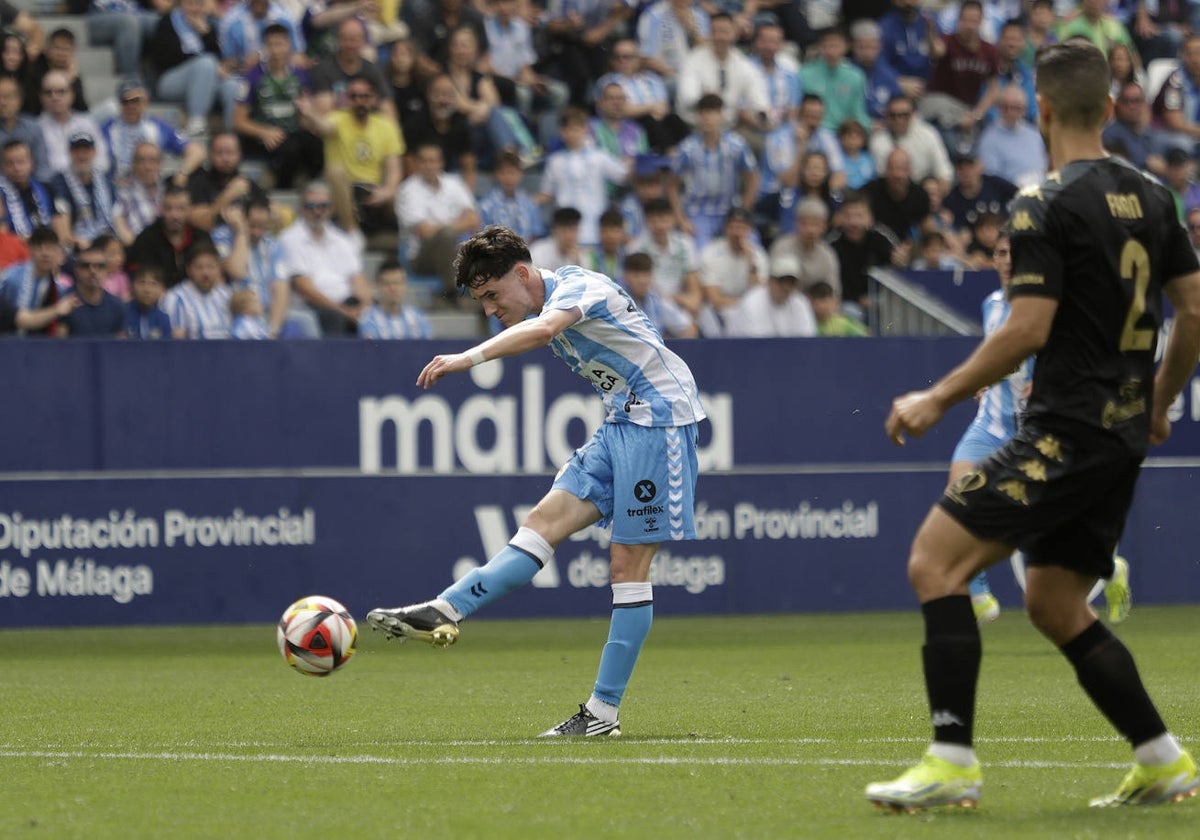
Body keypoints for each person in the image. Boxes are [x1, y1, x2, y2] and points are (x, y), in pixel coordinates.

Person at [867, 39, 1200, 812]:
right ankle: (1163, 760)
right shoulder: (1156, 196)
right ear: (1112, 108)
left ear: (1041, 111)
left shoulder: (1040, 202)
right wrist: (1158, 402)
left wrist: (936, 397)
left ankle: (951, 761)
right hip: (1118, 436)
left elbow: (1026, 329)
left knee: (934, 563)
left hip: (1064, 431)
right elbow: (1194, 311)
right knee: (1054, 603)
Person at [366, 224, 707, 739]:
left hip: (660, 421)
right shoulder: (544, 299)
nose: (489, 309)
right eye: (480, 300)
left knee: (627, 564)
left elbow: (544, 331)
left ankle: (602, 715)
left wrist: (468, 357)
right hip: (622, 421)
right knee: (541, 522)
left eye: (492, 295)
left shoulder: (579, 289)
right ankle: (444, 608)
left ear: (523, 274)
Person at [949, 231, 1133, 626]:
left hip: (1041, 429)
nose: (1007, 261)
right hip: (993, 424)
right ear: (993, 260)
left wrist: (1051, 379)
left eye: (1015, 255)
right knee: (960, 490)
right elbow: (996, 353)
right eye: (1000, 253)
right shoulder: (991, 305)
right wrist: (984, 378)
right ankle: (979, 595)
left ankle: (1109, 567)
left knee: (1054, 531)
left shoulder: (1052, 307)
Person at [232, 22, 324, 189]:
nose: (275, 51)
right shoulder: (252, 77)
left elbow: (303, 118)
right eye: (270, 45)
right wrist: (263, 132)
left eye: (279, 44)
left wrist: (308, 113)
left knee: (317, 145)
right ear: (264, 47)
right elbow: (238, 121)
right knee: (290, 148)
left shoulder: (300, 75)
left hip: (292, 132)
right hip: (263, 136)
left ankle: (312, 186)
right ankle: (283, 190)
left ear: (289, 45)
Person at [279, 180, 371, 334]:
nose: (317, 212)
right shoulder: (290, 239)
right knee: (334, 318)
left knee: (374, 313)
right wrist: (343, 312)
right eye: (311, 207)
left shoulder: (342, 239)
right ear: (301, 209)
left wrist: (363, 307)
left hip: (347, 304)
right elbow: (305, 289)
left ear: (331, 208)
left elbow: (358, 278)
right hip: (313, 306)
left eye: (322, 206)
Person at [668, 93, 758, 250]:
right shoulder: (687, 148)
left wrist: (745, 211)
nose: (707, 117)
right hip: (696, 213)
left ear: (721, 115)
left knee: (752, 247)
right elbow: (671, 185)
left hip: (730, 211)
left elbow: (753, 178)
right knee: (699, 254)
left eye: (712, 112)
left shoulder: (737, 145)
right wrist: (680, 219)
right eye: (703, 113)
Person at [396, 142, 479, 305]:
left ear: (441, 163)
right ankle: (454, 292)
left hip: (455, 252)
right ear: (417, 164)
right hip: (420, 257)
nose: (429, 166)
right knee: (447, 236)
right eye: (425, 161)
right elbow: (425, 232)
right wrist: (457, 224)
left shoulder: (453, 183)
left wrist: (446, 227)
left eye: (433, 161)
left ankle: (481, 301)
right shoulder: (408, 190)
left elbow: (474, 219)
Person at [538, 107, 630, 248]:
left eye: (576, 128)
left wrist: (635, 162)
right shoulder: (555, 161)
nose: (571, 133)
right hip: (566, 232)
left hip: (595, 229)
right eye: (567, 129)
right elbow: (547, 193)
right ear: (561, 132)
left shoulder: (599, 157)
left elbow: (623, 175)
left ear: (584, 129)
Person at [148, 0, 241, 135]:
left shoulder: (209, 25)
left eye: (199, 4)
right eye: (190, 4)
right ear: (181, 4)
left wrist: (205, 34)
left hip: (205, 79)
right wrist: (205, 62)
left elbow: (218, 57)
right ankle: (196, 120)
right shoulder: (167, 22)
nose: (195, 9)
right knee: (206, 63)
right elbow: (164, 59)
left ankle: (231, 135)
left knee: (231, 85)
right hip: (169, 80)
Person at [99, 78, 205, 184]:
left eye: (135, 101)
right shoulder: (106, 129)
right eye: (125, 102)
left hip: (152, 188)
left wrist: (183, 173)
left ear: (145, 101)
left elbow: (197, 151)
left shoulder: (158, 127)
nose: (131, 106)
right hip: (116, 188)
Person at [126, 183, 213, 288]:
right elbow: (141, 279)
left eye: (181, 208)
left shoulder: (201, 238)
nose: (174, 215)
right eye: (168, 208)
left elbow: (213, 273)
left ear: (189, 210)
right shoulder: (146, 239)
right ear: (160, 209)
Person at [697, 206, 766, 335]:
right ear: (726, 229)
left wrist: (751, 262)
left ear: (750, 230)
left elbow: (760, 294)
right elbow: (714, 299)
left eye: (742, 228)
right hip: (717, 311)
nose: (737, 233)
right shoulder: (710, 252)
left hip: (749, 312)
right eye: (734, 227)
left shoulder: (758, 255)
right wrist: (744, 305)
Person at [184, 131, 269, 232]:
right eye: (219, 153)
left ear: (239, 154)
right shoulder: (198, 182)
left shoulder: (247, 184)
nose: (225, 158)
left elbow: (271, 213)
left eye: (230, 152)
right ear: (210, 154)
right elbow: (203, 223)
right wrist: (228, 195)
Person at [51, 132, 117, 253]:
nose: (82, 156)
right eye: (77, 151)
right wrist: (74, 240)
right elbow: (61, 217)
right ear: (70, 153)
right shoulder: (60, 181)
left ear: (94, 152)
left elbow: (116, 213)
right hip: (78, 243)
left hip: (107, 240)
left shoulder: (105, 180)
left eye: (86, 151)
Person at [722, 254, 818, 337]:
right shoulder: (752, 302)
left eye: (791, 283)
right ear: (770, 281)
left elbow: (807, 339)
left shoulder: (800, 303)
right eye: (782, 281)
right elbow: (755, 345)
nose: (786, 287)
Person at [977, 85, 1049, 188]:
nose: (1011, 113)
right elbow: (992, 180)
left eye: (1017, 108)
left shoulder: (1035, 134)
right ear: (998, 108)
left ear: (1024, 109)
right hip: (1013, 195)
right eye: (1006, 107)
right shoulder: (989, 139)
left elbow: (1046, 166)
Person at [161, 241, 232, 338]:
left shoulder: (227, 295)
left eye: (211, 266)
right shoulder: (175, 298)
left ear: (219, 269)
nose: (205, 273)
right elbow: (174, 345)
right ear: (189, 270)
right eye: (199, 267)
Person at [620, 250, 696, 338]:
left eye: (646, 275)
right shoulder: (616, 299)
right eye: (636, 275)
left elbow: (689, 329)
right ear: (625, 276)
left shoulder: (656, 299)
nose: (642, 280)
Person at [477, 148, 546, 244]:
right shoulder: (485, 206)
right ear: (497, 174)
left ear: (520, 174)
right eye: (504, 173)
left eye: (512, 173)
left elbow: (536, 236)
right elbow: (482, 237)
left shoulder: (530, 204)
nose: (508, 178)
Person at [0, 139, 61, 241]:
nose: (16, 168)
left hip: (47, 246)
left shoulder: (46, 188)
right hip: (16, 252)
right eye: (10, 163)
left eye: (21, 161)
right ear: (3, 167)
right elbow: (2, 237)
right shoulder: (1, 194)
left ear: (31, 163)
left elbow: (60, 227)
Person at [358, 259, 433, 339]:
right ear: (378, 285)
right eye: (386, 283)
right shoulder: (369, 320)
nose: (392, 288)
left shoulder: (418, 317)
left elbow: (429, 348)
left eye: (397, 283)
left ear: (405, 284)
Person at [64, 243, 127, 336]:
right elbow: (59, 345)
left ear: (107, 270)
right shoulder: (64, 302)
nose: (93, 271)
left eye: (100, 266)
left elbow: (121, 345)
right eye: (85, 266)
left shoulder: (117, 306)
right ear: (76, 270)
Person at [0, 74, 50, 184]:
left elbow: (43, 169)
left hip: (31, 188)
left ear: (19, 100)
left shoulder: (33, 128)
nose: (2, 102)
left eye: (7, 97)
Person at [125, 263, 172, 339]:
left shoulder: (163, 319)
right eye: (142, 282)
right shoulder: (122, 314)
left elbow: (166, 349)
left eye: (153, 284)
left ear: (162, 289)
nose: (147, 289)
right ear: (132, 285)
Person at [529, 206, 584, 270]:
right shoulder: (538, 251)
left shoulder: (580, 256)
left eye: (573, 230)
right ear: (554, 230)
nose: (569, 236)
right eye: (564, 230)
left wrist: (577, 263)